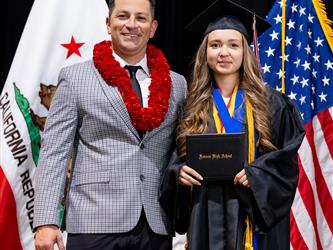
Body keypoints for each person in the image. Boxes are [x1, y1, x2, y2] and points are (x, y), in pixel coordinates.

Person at [33, 0, 187, 249]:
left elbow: (180, 151)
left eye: (141, 18)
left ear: (153, 27)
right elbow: (54, 153)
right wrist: (46, 221)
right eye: (123, 16)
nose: (131, 25)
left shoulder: (177, 84)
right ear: (108, 23)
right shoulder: (75, 78)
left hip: (155, 223)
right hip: (94, 222)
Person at [159, 0, 305, 249]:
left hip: (253, 223)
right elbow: (175, 159)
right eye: (215, 45)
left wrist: (258, 175)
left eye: (233, 45)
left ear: (245, 51)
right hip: (206, 215)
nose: (223, 52)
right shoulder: (192, 106)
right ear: (205, 52)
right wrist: (177, 174)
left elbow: (287, 165)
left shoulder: (272, 103)